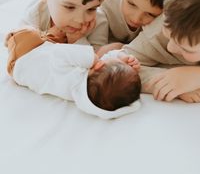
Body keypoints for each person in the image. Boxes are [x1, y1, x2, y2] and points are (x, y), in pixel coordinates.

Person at [6, 28, 141, 119]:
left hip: (24, 55)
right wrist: (121, 56)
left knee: (34, 33)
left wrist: (90, 57)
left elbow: (61, 52)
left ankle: (10, 38)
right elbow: (107, 64)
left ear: (99, 65)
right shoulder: (84, 93)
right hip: (19, 73)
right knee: (54, 38)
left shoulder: (75, 75)